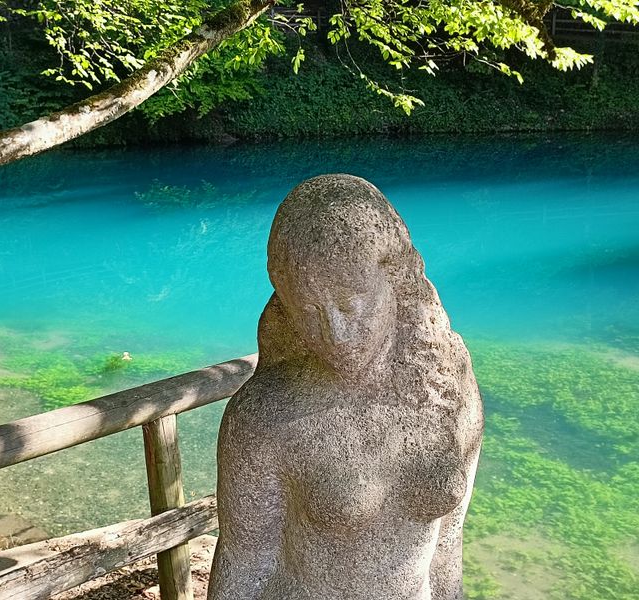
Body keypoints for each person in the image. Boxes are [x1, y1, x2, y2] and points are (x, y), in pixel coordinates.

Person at [207, 174, 484, 600]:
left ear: (394, 279)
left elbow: (448, 547)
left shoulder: (450, 388)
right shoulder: (265, 416)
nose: (335, 333)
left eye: (349, 303)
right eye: (309, 311)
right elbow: (244, 563)